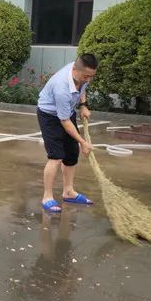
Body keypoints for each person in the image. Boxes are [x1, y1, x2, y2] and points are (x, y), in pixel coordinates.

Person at [35, 53, 98, 213]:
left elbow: (82, 88)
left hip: (66, 112)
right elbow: (64, 122)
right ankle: (47, 196)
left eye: (91, 76)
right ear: (75, 70)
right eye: (86, 76)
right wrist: (83, 142)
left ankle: (68, 192)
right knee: (56, 156)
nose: (88, 80)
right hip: (49, 115)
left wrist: (83, 105)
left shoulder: (81, 74)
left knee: (71, 154)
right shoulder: (62, 87)